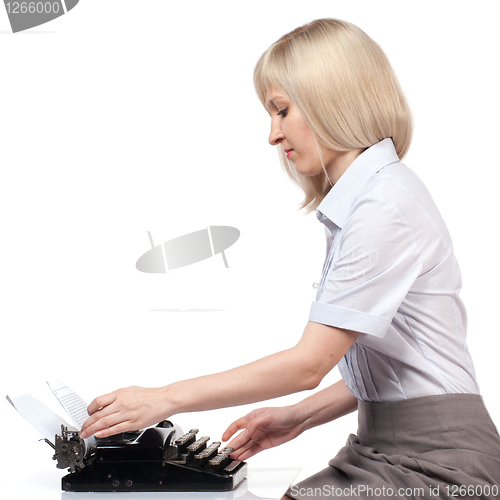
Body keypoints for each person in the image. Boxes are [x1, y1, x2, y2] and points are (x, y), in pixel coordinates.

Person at [80, 19, 500, 499]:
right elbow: (402, 362)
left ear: (333, 99)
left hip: (439, 460)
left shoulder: (383, 206)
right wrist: (299, 417)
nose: (273, 135)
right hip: (387, 443)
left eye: (281, 110)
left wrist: (162, 399)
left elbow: (307, 365)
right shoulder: (371, 197)